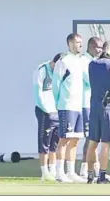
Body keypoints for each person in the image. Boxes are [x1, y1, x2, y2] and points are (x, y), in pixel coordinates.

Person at [52, 33, 86, 183]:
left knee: (75, 139)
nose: (79, 45)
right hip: (66, 105)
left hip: (79, 105)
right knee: (64, 139)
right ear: (69, 44)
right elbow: (56, 84)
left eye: (80, 42)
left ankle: (71, 172)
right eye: (76, 42)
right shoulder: (63, 61)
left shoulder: (80, 61)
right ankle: (60, 173)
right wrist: (59, 103)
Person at [86, 41, 110, 184]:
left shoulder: (92, 64)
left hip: (94, 105)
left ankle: (89, 175)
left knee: (92, 142)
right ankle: (102, 175)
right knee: (106, 143)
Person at [33, 53, 62, 181]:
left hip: (57, 111)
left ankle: (52, 170)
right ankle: (44, 172)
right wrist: (47, 110)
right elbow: (38, 93)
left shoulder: (60, 73)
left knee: (54, 143)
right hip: (45, 112)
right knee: (45, 141)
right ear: (54, 63)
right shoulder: (42, 71)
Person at [80, 37, 103, 179]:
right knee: (90, 137)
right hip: (85, 103)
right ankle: (85, 168)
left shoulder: (96, 62)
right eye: (96, 47)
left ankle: (93, 168)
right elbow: (89, 81)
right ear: (89, 46)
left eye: (101, 47)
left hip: (93, 103)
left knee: (94, 137)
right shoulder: (85, 61)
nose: (99, 50)